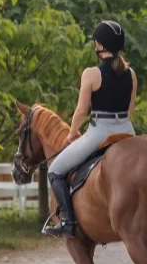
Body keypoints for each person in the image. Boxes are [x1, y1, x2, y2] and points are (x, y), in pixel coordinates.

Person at [43, 20, 138, 237]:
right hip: (127, 131)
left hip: (100, 132)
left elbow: (80, 112)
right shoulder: (131, 74)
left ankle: (67, 222)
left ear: (99, 45)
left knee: (55, 170)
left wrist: (70, 134)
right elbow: (130, 108)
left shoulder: (91, 74)